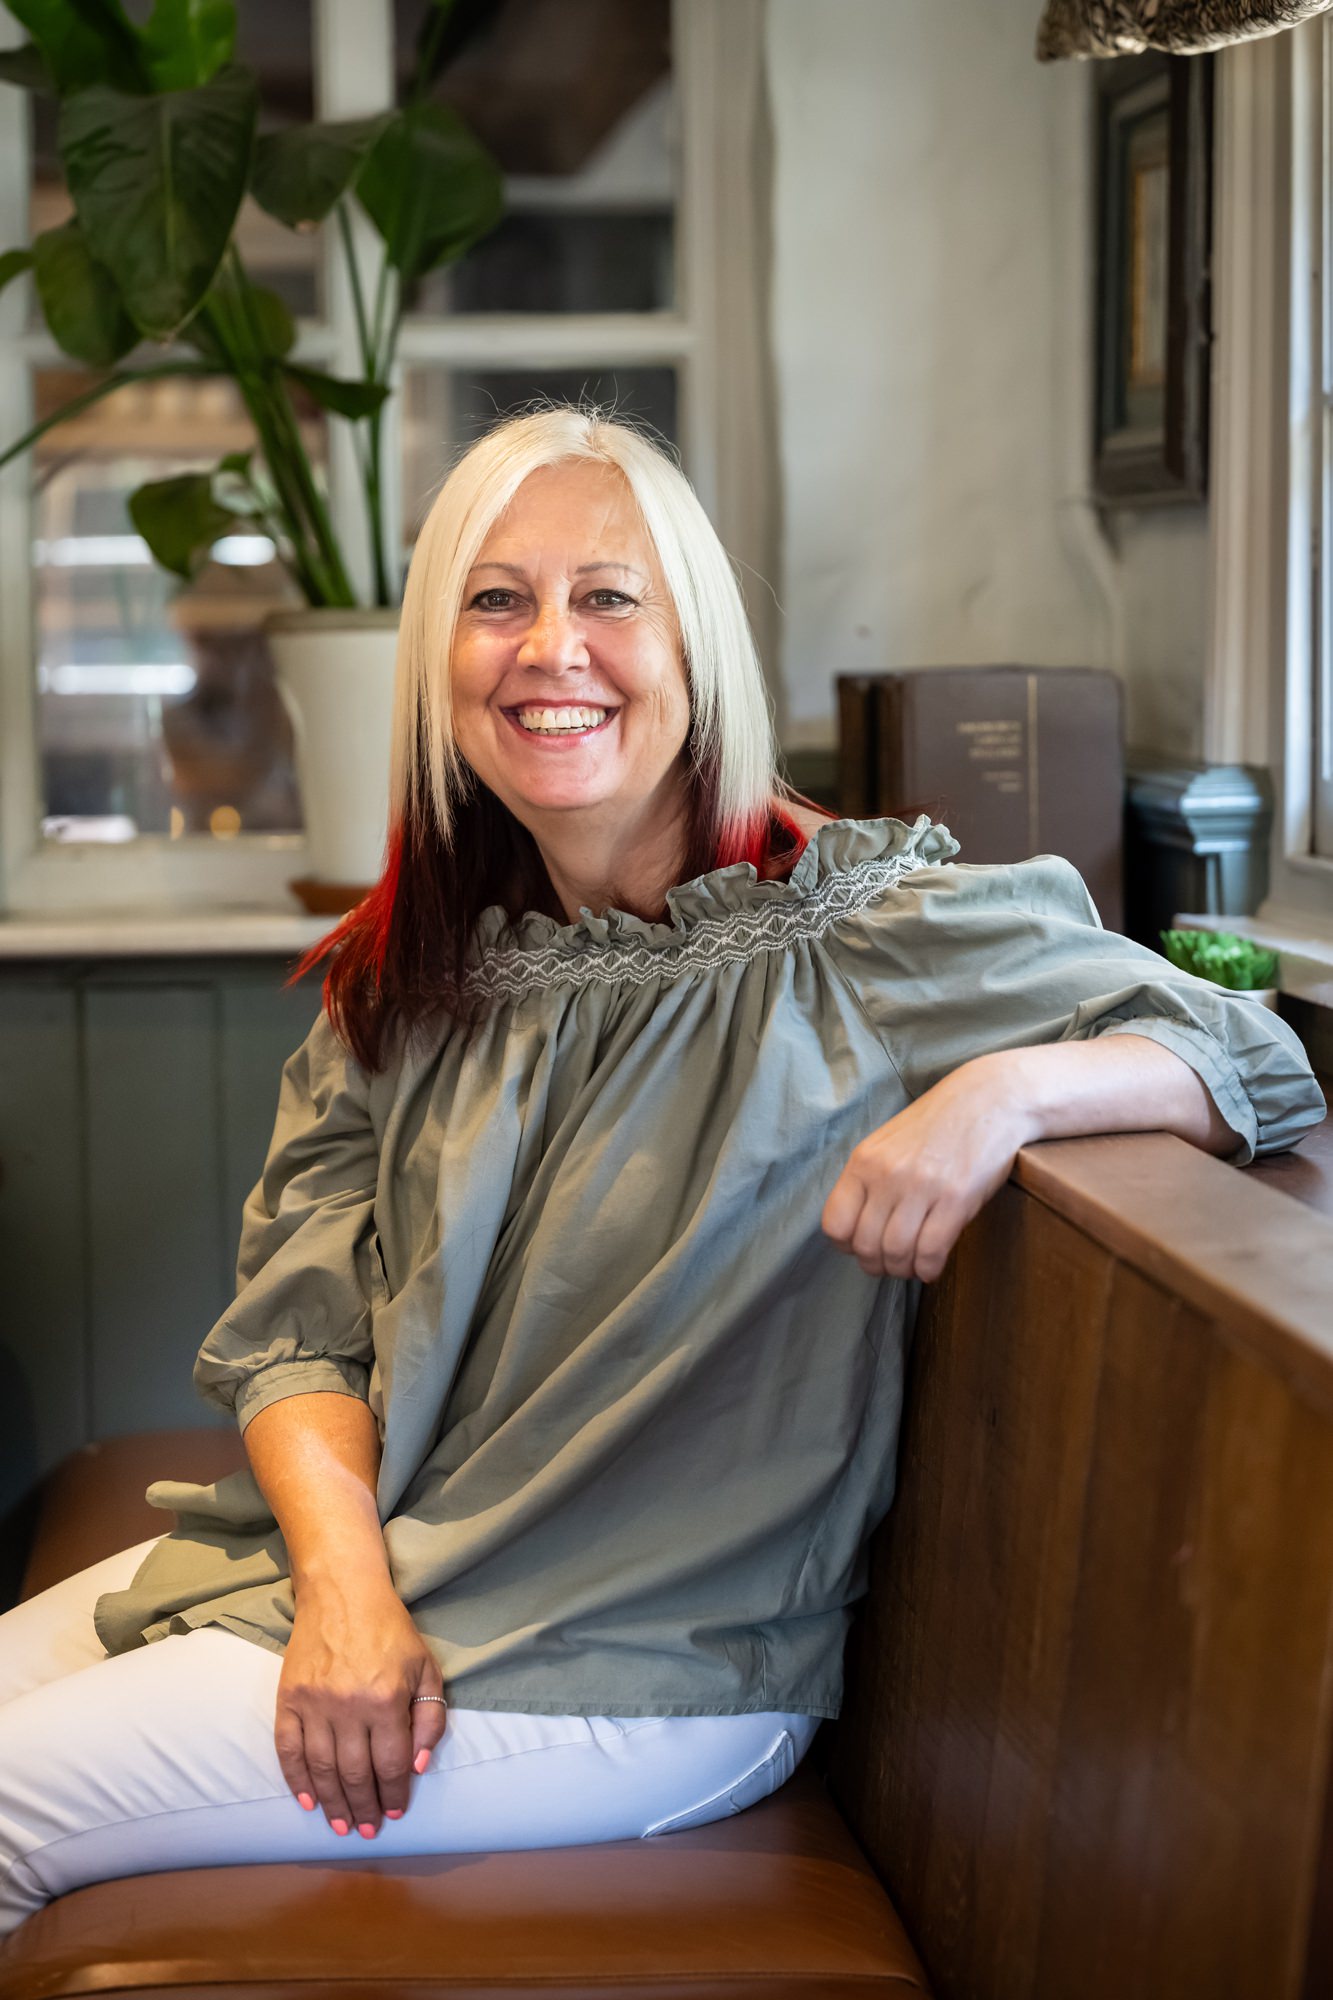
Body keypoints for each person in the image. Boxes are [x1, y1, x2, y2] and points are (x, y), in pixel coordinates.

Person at [0, 407, 1324, 1937]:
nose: (548, 649)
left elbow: (1254, 1054)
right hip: (387, 1590)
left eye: (607, 597)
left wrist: (1004, 1096)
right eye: (496, 601)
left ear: (696, 650)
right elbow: (299, 1334)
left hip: (631, 1670)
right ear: (440, 662)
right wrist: (348, 1595)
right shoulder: (422, 975)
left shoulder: (862, 929)